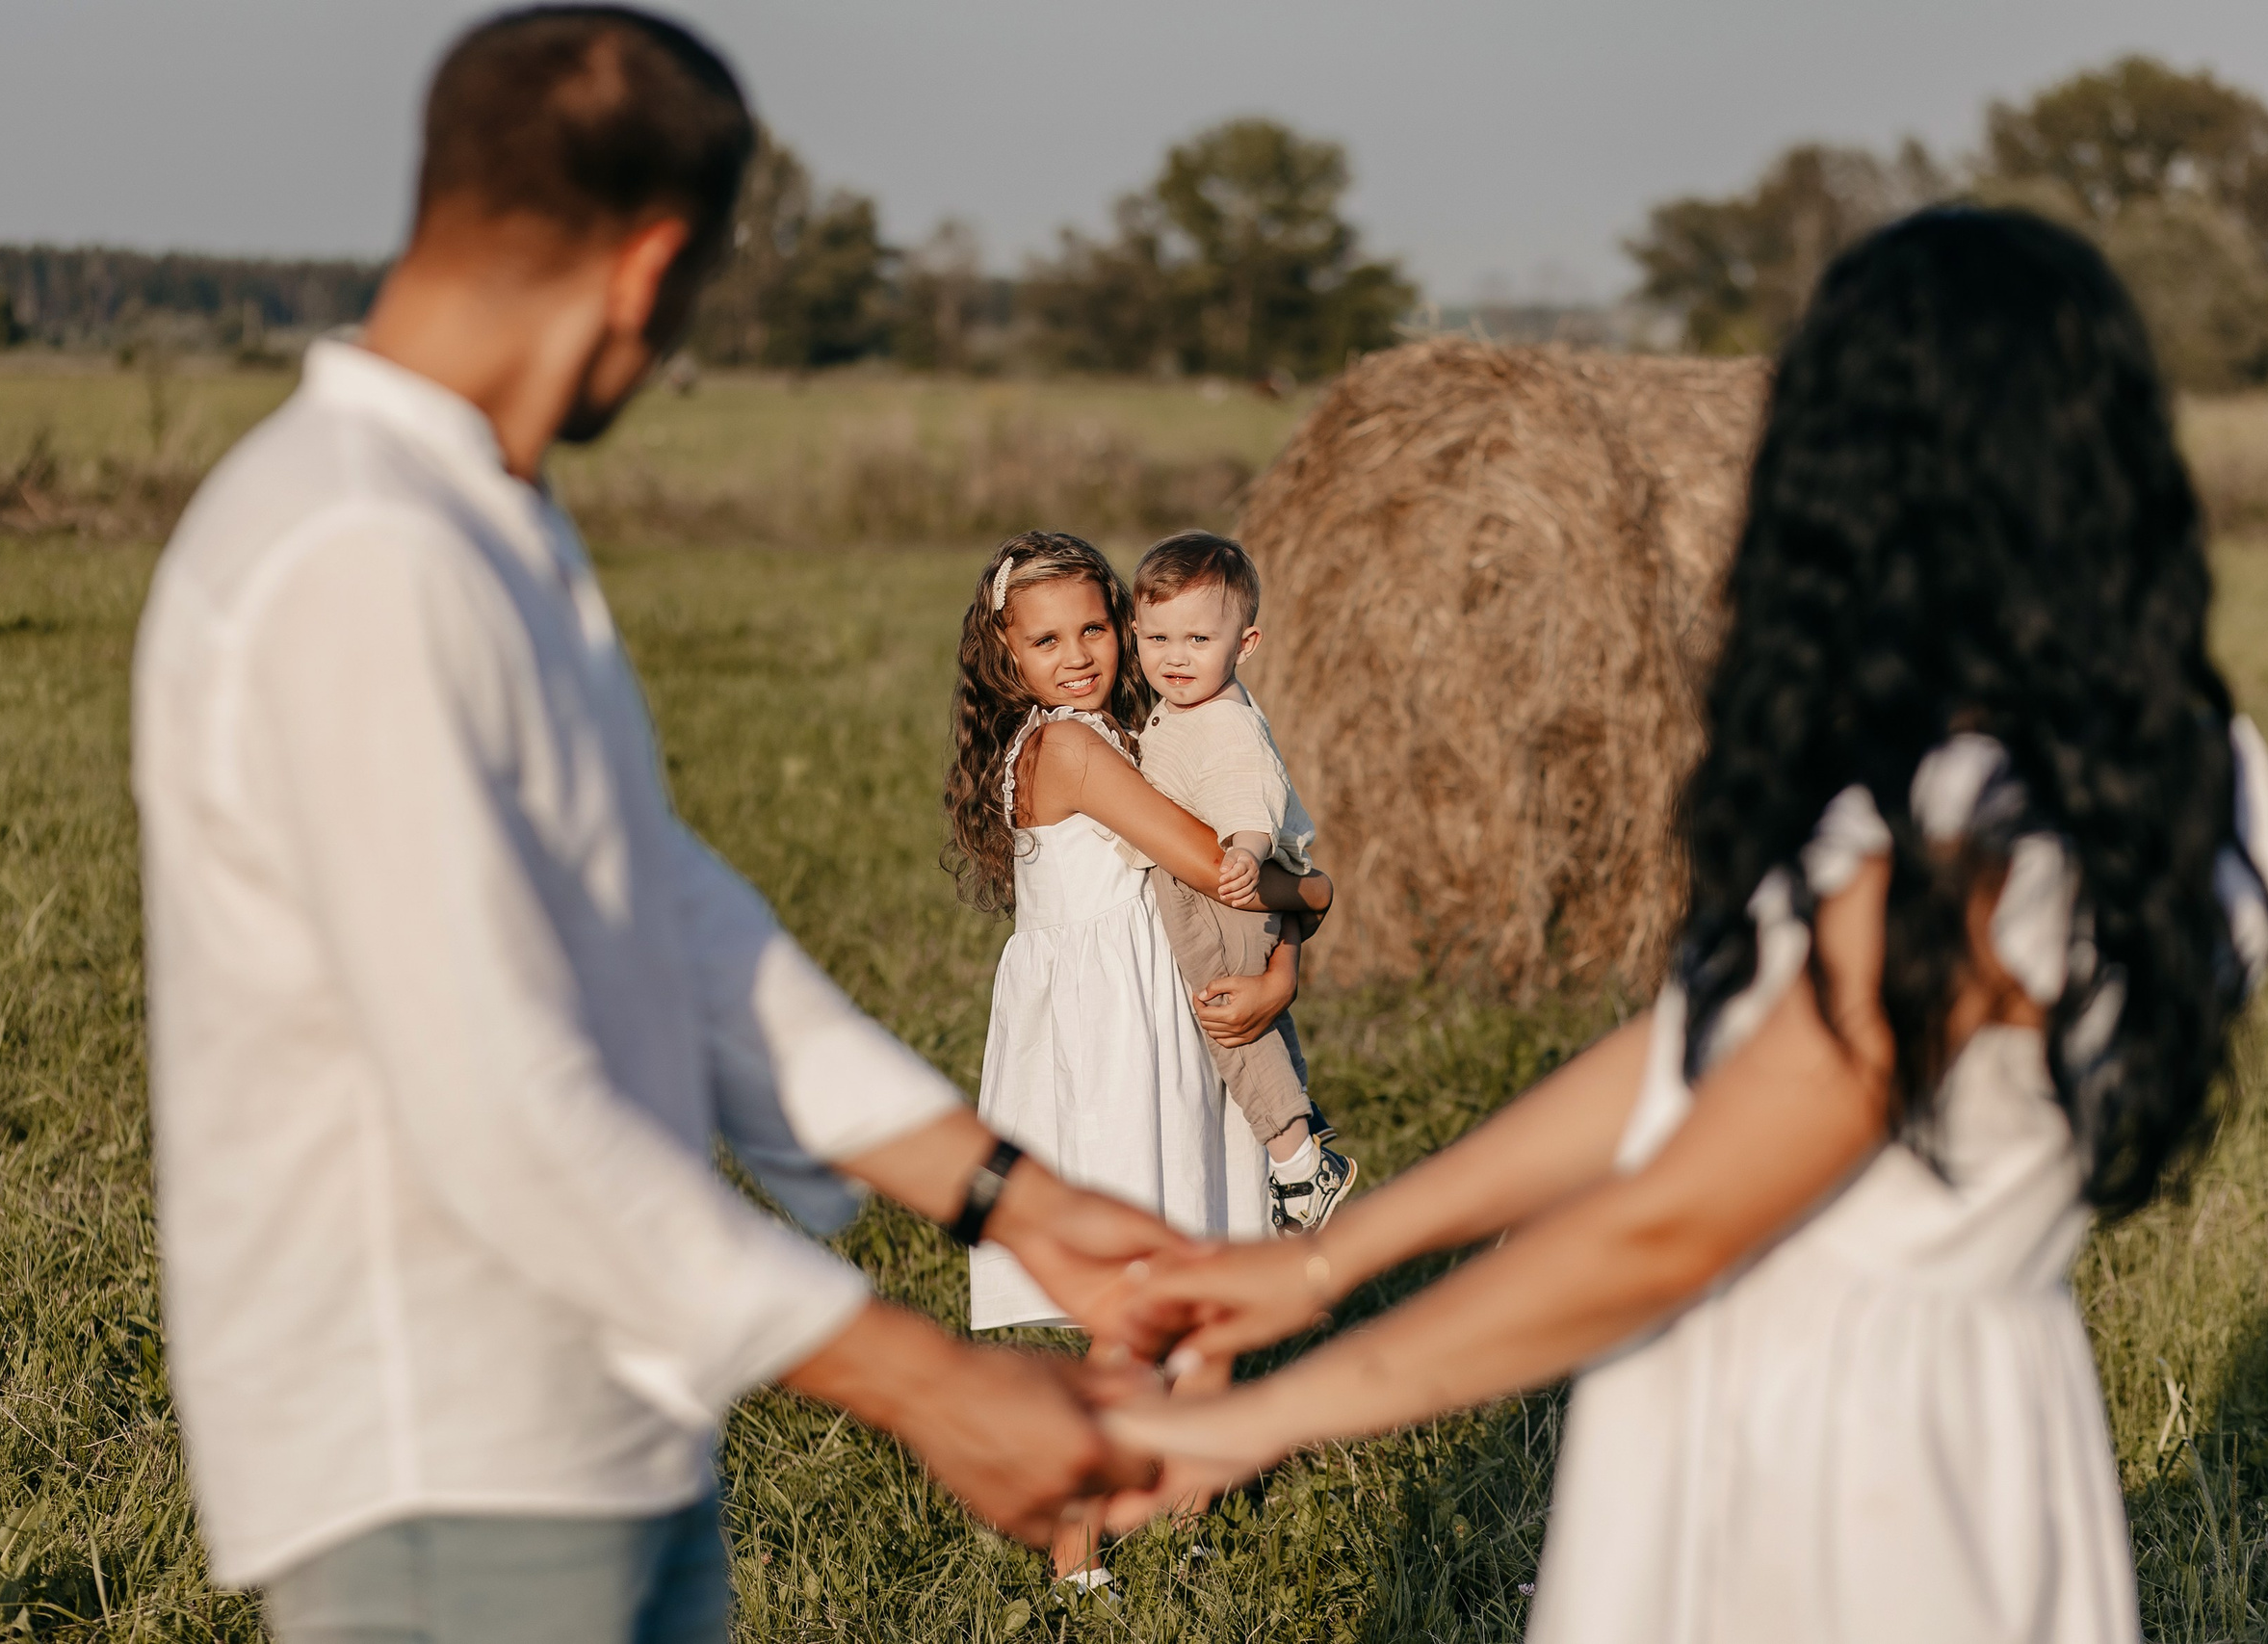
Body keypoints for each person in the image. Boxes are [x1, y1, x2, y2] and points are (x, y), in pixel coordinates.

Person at [131, 13, 1186, 1643]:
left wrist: (1006, 1194)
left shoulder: (482, 519)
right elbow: (487, 1101)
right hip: (446, 1454)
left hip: (600, 1415)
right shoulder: (353, 553)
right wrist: (921, 1379)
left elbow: (666, 915)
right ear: (647, 270)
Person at [1104, 208, 2268, 1643]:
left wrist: (1257, 1423)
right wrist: (1319, 1263)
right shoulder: (2198, 763)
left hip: (1826, 1451)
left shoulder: (1972, 838)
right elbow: (1704, 1048)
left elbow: (1672, 1219)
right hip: (1991, 1404)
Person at [939, 531, 1331, 1585]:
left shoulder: (1131, 729)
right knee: (1135, 1317)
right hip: (1114, 1047)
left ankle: (1187, 1522)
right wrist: (1318, 895)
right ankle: (1073, 1552)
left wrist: (1279, 966)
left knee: (1206, 1313)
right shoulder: (1069, 749)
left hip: (1168, 1023)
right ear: (1004, 658)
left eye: (1094, 629)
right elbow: (1218, 865)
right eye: (1045, 640)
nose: (1077, 655)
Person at [1127, 531, 1356, 1233]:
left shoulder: (1223, 724)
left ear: (1245, 643)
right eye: (1158, 637)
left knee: (1226, 1016)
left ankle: (1298, 1166)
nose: (1175, 656)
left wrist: (1246, 855)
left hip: (1223, 888)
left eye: (1198, 638)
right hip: (1233, 889)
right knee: (1257, 1019)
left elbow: (1249, 803)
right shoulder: (1190, 704)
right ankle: (1302, 1123)